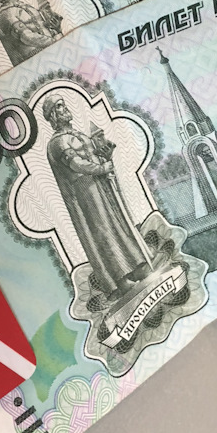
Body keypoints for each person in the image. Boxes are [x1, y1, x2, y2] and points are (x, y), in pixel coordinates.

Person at [42, 94, 149, 298]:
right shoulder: (58, 143)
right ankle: (120, 279)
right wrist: (101, 168)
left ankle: (136, 266)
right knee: (103, 231)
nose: (65, 109)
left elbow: (93, 155)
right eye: (60, 107)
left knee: (116, 224)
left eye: (64, 105)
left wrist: (105, 157)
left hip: (99, 185)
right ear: (53, 114)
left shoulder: (78, 134)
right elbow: (76, 165)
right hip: (85, 192)